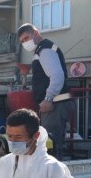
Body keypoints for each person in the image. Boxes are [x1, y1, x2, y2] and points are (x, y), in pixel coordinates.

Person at [17, 23, 76, 159]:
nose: (25, 43)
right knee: (50, 144)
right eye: (22, 41)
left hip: (55, 104)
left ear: (36, 33)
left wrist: (48, 98)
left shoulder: (45, 50)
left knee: (51, 147)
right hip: (55, 104)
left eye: (26, 38)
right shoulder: (43, 50)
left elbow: (57, 76)